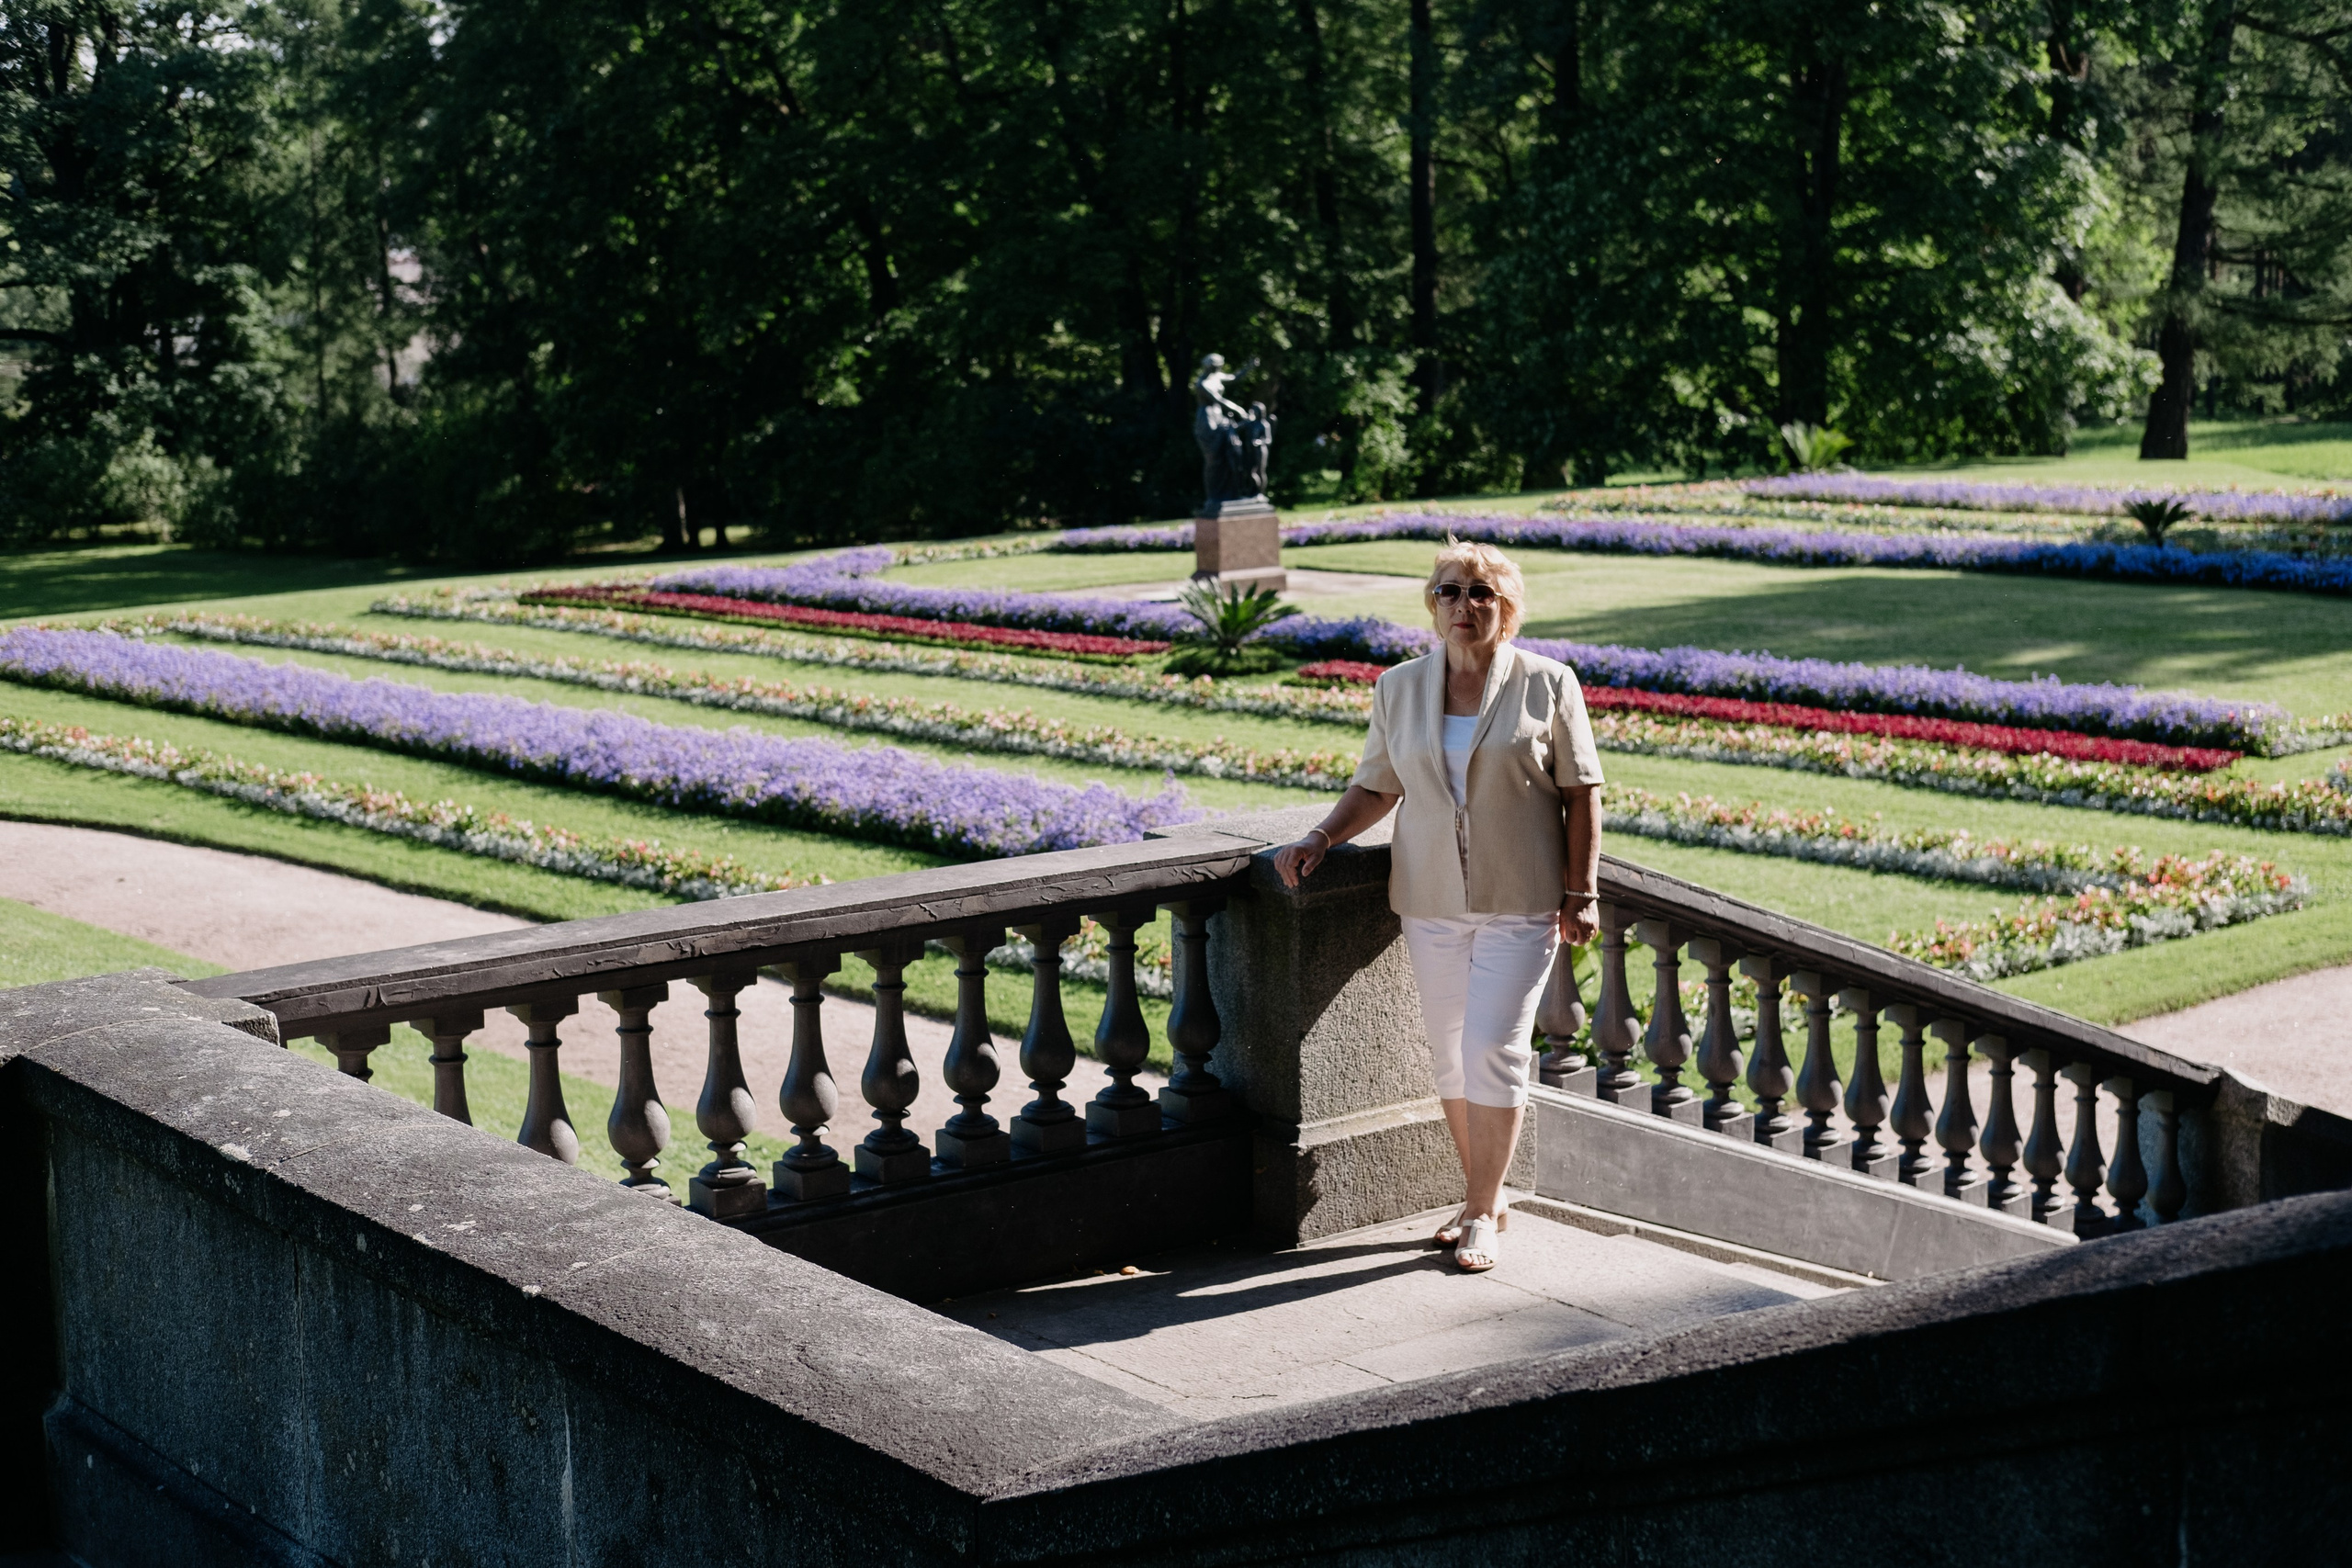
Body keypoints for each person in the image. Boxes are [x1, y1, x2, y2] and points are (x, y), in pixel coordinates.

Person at [1272, 541, 1604, 1273]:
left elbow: (1582, 791)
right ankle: (1483, 1190)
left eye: (1481, 593)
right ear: (1433, 605)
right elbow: (1379, 785)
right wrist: (1323, 835)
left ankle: (1482, 1209)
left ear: (1505, 609)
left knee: (1494, 1046)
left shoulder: (1548, 682)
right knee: (1451, 1051)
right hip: (1429, 900)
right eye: (1450, 592)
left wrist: (1582, 891)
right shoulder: (1398, 687)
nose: (1464, 605)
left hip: (1521, 899)